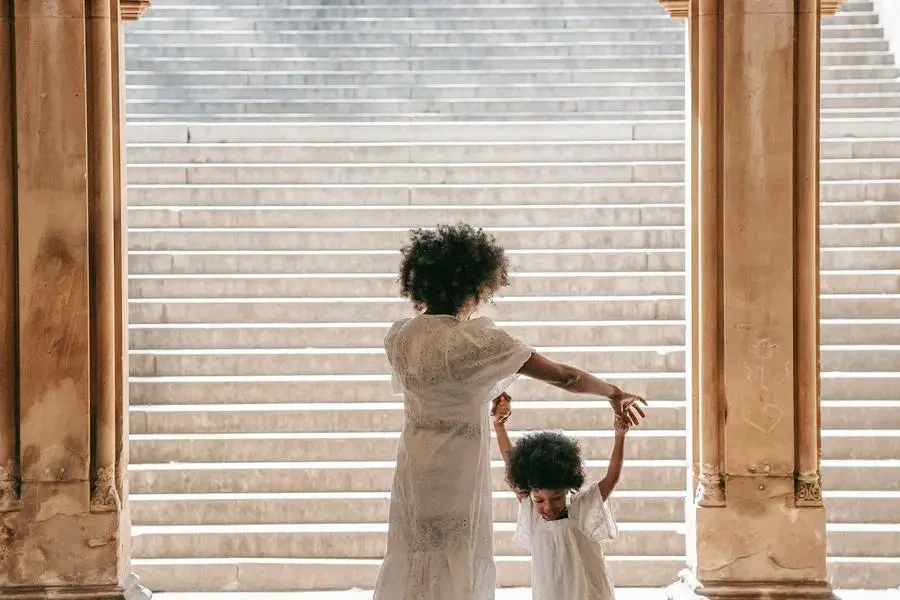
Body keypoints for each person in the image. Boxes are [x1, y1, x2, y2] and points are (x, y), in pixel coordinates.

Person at [372, 223, 648, 600]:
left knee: (413, 552)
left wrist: (489, 393)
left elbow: (441, 385)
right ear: (475, 283)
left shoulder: (399, 337)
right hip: (457, 470)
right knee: (456, 556)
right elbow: (564, 377)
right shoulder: (477, 341)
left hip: (413, 467)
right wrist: (613, 392)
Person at [493, 393, 642, 600]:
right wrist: (499, 427)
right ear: (530, 494)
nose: (549, 506)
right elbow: (510, 461)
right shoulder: (530, 508)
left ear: (567, 489)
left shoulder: (581, 509)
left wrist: (620, 435)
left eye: (556, 498)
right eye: (540, 500)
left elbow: (611, 479)